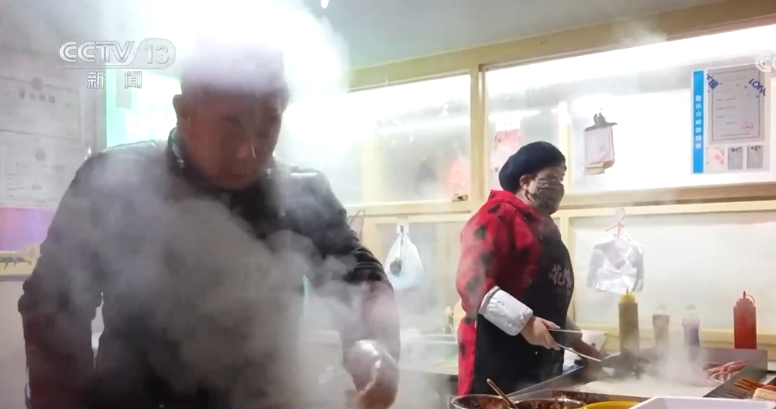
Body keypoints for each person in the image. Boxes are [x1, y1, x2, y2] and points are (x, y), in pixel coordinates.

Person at [18, 39, 400, 409]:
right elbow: (53, 303)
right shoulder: (114, 180)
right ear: (183, 111)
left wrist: (372, 342)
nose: (249, 151)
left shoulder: (303, 192)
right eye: (231, 126)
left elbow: (356, 272)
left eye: (267, 126)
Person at [455, 141, 602, 395]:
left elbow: (545, 301)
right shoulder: (495, 216)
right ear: (525, 181)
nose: (559, 186)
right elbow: (471, 283)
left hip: (540, 367)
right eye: (552, 178)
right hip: (495, 363)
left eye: (561, 179)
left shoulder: (546, 227)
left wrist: (581, 347)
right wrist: (524, 323)